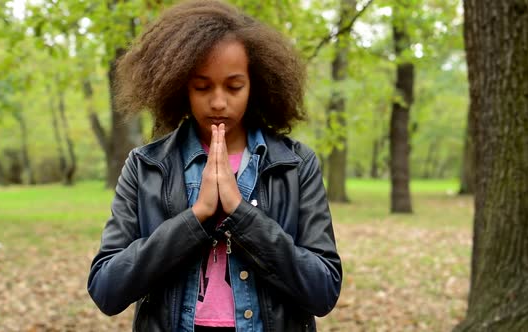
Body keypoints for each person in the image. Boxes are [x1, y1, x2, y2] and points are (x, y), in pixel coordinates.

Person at [87, 1, 342, 331]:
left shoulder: (295, 164)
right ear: (180, 86)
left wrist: (241, 214)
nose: (219, 101)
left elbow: (323, 290)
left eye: (234, 86)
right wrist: (196, 217)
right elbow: (106, 288)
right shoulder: (145, 166)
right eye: (202, 86)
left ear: (257, 84)